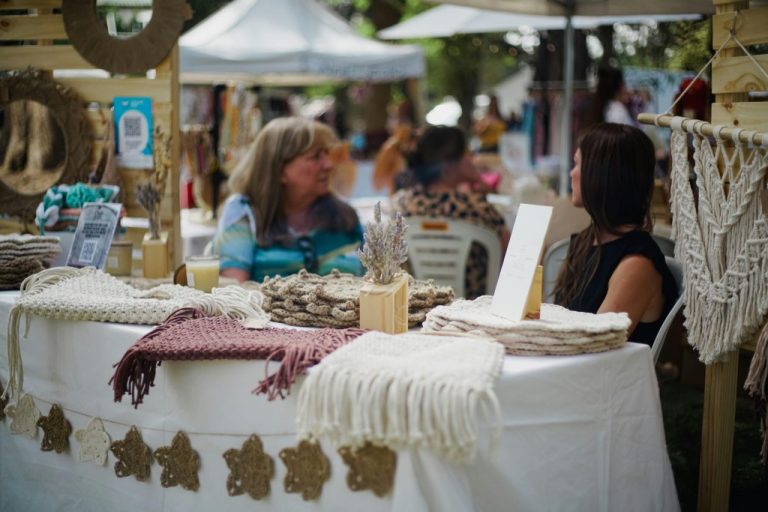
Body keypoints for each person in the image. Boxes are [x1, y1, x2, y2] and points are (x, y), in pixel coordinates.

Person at [553, 123, 678, 346]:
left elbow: (595, 346)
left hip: (602, 376)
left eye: (578, 164)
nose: (571, 174)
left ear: (602, 175)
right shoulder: (585, 241)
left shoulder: (637, 265)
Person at [213, 117, 364, 282]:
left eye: (326, 154)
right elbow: (234, 289)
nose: (328, 164)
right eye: (315, 157)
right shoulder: (243, 213)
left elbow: (376, 276)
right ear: (280, 170)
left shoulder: (343, 215)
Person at [393, 125, 511, 299]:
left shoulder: (402, 206)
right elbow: (511, 258)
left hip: (416, 307)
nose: (472, 160)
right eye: (467, 154)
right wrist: (483, 188)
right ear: (449, 165)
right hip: (471, 311)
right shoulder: (477, 209)